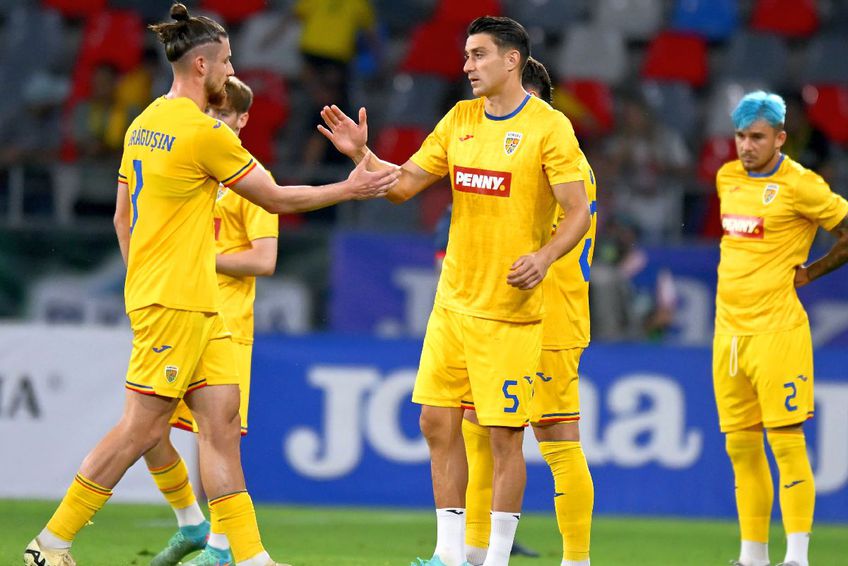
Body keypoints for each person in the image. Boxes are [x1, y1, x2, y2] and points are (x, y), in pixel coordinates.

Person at [23, 4, 398, 566]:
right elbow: (274, 198)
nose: (231, 68)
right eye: (226, 59)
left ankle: (249, 559)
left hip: (193, 302)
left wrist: (141, 275)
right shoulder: (204, 134)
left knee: (219, 427)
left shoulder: (145, 119)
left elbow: (123, 215)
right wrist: (349, 190)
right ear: (201, 65)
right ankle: (50, 544)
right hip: (176, 301)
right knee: (139, 429)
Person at [318, 17, 591, 566]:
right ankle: (448, 556)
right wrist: (361, 158)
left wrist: (542, 257)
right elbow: (405, 186)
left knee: (502, 436)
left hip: (509, 310)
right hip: (453, 303)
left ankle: (495, 558)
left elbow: (579, 209)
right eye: (466, 55)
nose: (466, 65)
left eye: (478, 54)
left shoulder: (549, 127)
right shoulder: (460, 118)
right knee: (435, 421)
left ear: (512, 60)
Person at [460, 57, 596, 566]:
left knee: (559, 441)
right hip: (502, 316)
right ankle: (472, 555)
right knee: (480, 435)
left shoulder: (562, 163)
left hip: (551, 320)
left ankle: (576, 559)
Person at [143, 76, 279, 566]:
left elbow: (265, 261)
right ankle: (190, 521)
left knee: (215, 440)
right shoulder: (190, 172)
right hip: (178, 313)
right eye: (209, 114)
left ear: (242, 121)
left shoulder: (251, 180)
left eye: (223, 116)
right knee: (149, 432)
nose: (213, 123)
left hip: (226, 323)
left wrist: (200, 256)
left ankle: (223, 548)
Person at [713, 91, 848, 566]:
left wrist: (813, 271)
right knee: (741, 448)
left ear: (780, 138)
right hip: (727, 337)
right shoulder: (727, 177)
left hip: (777, 333)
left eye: (757, 137)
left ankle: (797, 557)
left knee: (786, 444)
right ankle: (753, 556)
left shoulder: (801, 185)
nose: (746, 146)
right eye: (740, 136)